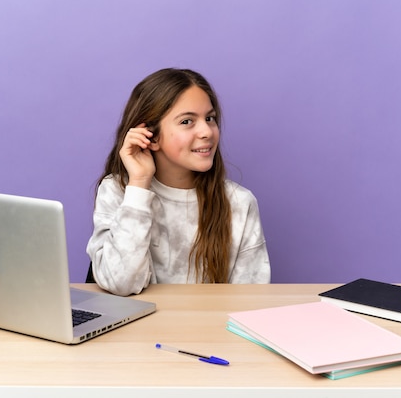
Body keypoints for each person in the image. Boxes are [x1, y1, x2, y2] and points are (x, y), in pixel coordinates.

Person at [86, 68, 270, 296]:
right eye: (187, 121)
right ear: (150, 136)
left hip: (209, 330)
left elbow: (250, 301)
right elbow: (121, 284)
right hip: (137, 331)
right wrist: (139, 184)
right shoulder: (119, 191)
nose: (207, 131)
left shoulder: (239, 203)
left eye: (210, 118)